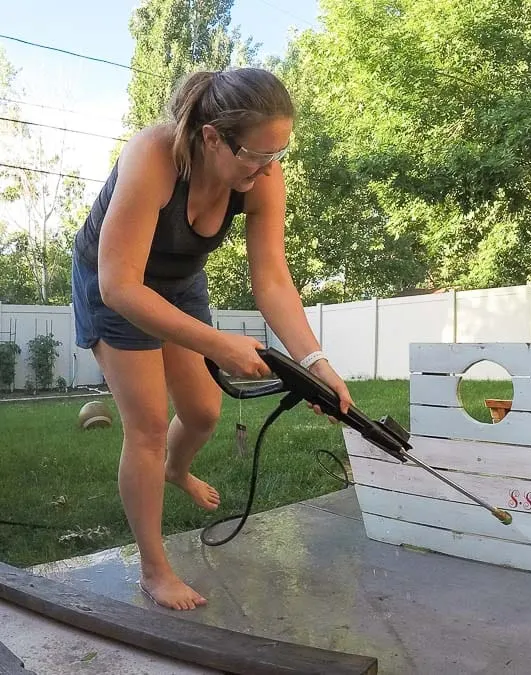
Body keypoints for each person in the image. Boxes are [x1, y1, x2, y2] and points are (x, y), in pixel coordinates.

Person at [70, 67, 354, 611]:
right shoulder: (153, 156)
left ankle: (176, 469)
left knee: (202, 411)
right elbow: (119, 284)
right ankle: (155, 571)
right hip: (116, 283)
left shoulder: (262, 177)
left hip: (178, 282)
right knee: (149, 425)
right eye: (256, 155)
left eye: (279, 155)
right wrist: (220, 344)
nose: (268, 169)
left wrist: (315, 362)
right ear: (211, 137)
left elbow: (272, 277)